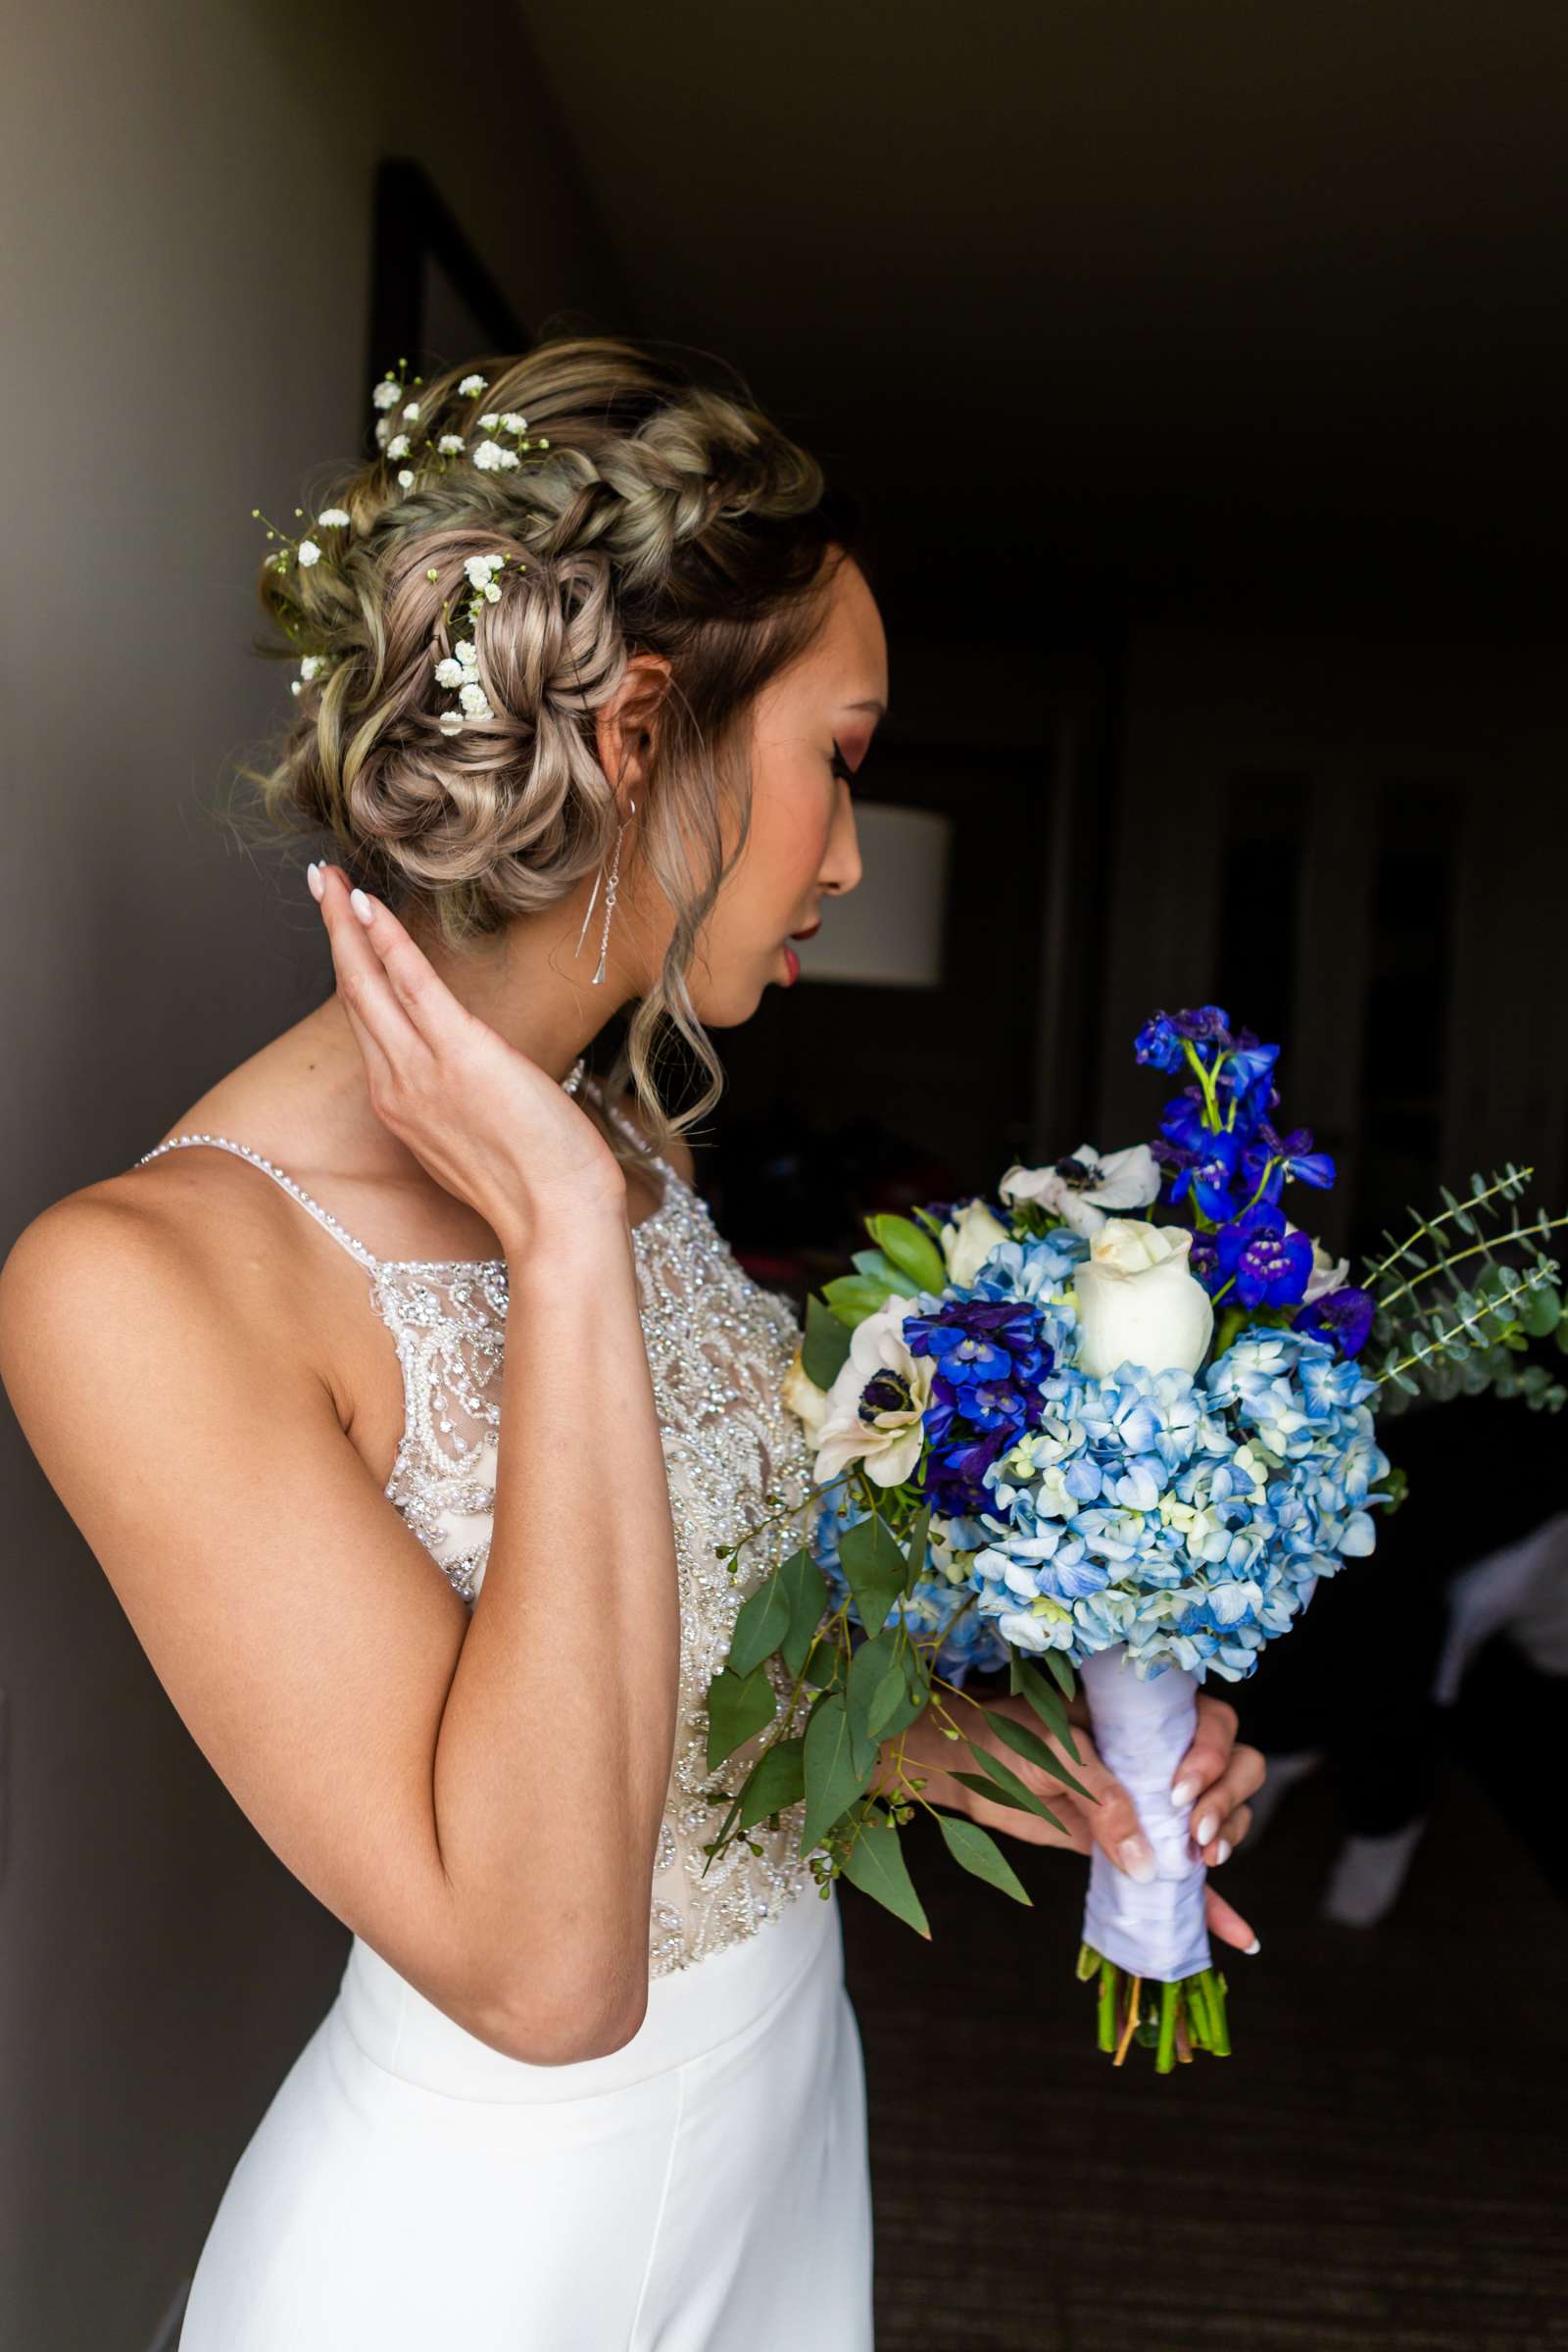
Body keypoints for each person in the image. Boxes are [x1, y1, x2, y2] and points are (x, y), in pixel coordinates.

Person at [0, 334, 1264, 2349]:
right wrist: (564, 1254)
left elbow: (700, 1708)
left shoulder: (635, 1141)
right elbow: (545, 1972)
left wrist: (1025, 1761)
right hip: (478, 2249)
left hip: (777, 2115)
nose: (847, 856)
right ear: (641, 728)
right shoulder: (144, 1283)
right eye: (838, 757)